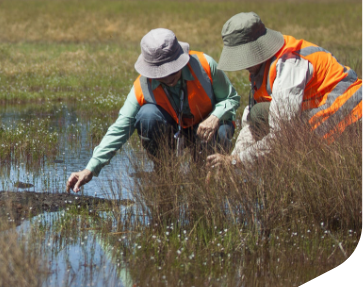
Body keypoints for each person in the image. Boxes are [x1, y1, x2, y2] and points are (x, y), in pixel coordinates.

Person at [67, 28, 240, 193]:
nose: (168, 76)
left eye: (172, 68)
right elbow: (120, 128)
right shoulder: (141, 87)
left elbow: (232, 98)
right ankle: (165, 170)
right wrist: (90, 168)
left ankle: (208, 172)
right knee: (147, 116)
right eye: (161, 71)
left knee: (222, 130)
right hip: (174, 132)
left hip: (208, 131)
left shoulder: (206, 65)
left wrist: (216, 116)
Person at [206, 11, 363, 171]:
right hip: (319, 117)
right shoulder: (260, 70)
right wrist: (230, 163)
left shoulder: (289, 65)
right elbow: (251, 125)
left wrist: (237, 161)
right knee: (258, 113)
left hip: (352, 118)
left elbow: (282, 135)